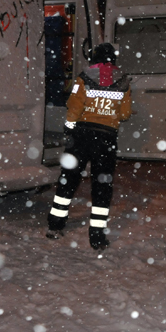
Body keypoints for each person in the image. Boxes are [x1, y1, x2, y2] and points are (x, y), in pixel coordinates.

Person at [46, 43, 132, 250]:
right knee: (102, 186)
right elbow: (125, 113)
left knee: (68, 180)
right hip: (106, 139)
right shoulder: (123, 81)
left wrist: (69, 127)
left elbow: (74, 106)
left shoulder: (84, 77)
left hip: (82, 136)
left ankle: (55, 226)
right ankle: (97, 236)